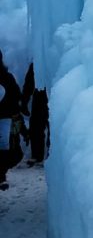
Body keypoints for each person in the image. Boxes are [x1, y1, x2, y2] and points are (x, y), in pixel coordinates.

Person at [0, 51, 28, 190]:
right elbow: (16, 97)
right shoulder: (8, 77)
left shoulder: (8, 78)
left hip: (10, 120)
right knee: (13, 152)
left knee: (12, 152)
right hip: (10, 120)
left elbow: (16, 98)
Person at [22, 63, 49, 165]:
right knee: (36, 126)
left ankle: (53, 155)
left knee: (53, 126)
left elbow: (29, 81)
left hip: (54, 93)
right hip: (40, 94)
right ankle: (37, 155)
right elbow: (29, 81)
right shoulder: (39, 59)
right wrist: (24, 100)